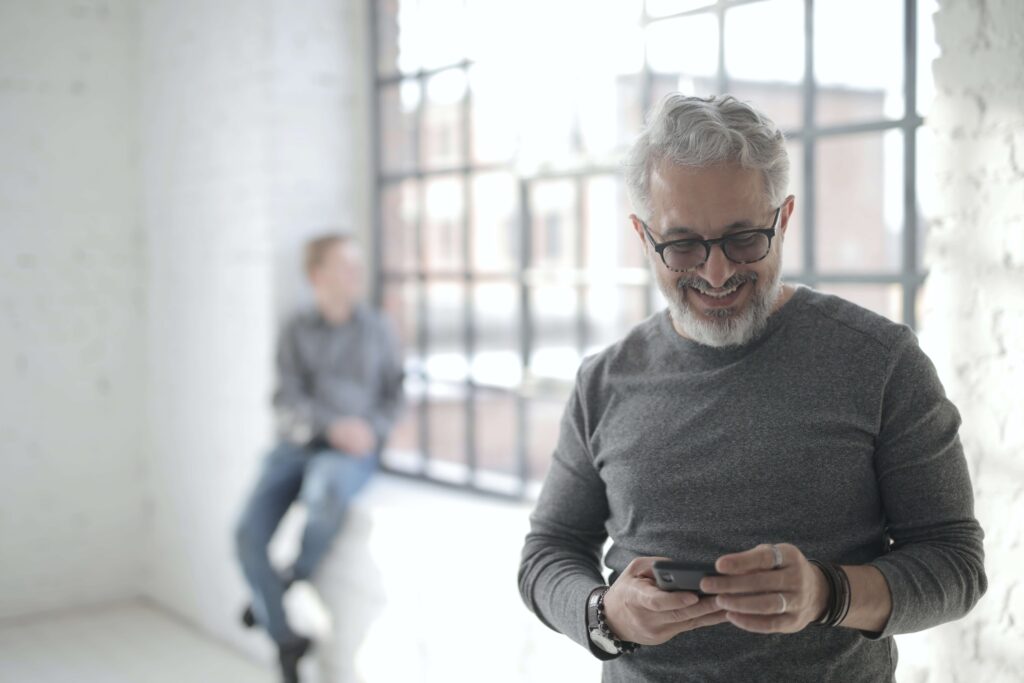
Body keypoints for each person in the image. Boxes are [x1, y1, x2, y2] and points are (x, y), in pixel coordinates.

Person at [517, 94, 986, 682]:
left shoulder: (880, 362)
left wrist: (825, 594)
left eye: (744, 238)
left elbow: (955, 564)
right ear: (643, 236)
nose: (716, 274)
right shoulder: (604, 380)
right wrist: (605, 614)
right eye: (683, 244)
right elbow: (547, 553)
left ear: (783, 218)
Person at [235, 233, 403, 683]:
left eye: (357, 265)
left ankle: (288, 579)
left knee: (324, 490)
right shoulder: (296, 329)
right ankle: (285, 637)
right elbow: (285, 400)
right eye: (345, 265)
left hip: (351, 454)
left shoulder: (378, 329)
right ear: (317, 275)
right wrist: (330, 427)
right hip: (297, 445)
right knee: (247, 534)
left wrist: (370, 430)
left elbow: (394, 396)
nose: (356, 274)